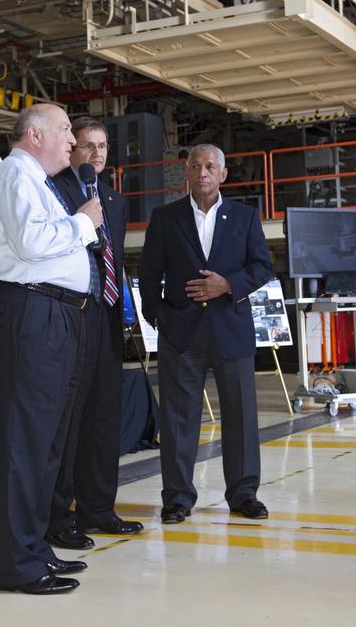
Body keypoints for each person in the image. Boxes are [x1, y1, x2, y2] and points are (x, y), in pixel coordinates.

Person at [0, 104, 104, 595]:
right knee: (24, 443)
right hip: (34, 313)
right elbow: (29, 243)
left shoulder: (35, 181)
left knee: (46, 443)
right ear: (34, 135)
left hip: (52, 313)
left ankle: (33, 548)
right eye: (65, 130)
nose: (72, 140)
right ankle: (18, 566)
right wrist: (83, 224)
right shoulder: (15, 175)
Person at [138, 144, 273, 525]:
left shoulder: (245, 217)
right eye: (196, 166)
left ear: (223, 174)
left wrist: (227, 285)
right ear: (187, 172)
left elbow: (262, 267)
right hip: (181, 334)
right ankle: (177, 498)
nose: (203, 172)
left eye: (211, 166)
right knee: (178, 420)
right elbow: (149, 274)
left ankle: (244, 494)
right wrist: (159, 316)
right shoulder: (165, 218)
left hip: (231, 330)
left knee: (241, 416)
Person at [45, 117, 145, 550]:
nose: (97, 154)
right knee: (68, 422)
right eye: (88, 145)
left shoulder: (114, 201)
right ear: (72, 149)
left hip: (106, 318)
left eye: (102, 146)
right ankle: (57, 515)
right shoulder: (54, 190)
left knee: (104, 417)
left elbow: (114, 262)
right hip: (71, 314)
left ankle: (99, 509)